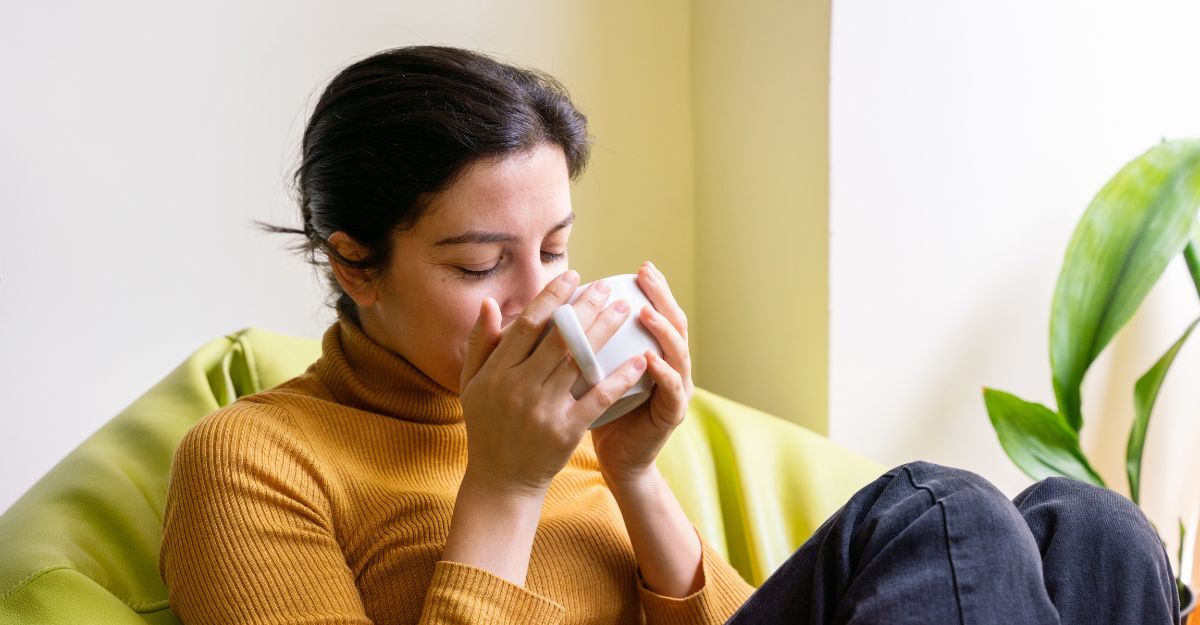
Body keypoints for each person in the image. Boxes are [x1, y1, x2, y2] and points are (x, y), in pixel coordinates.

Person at [159, 45, 1181, 625]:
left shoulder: (564, 431)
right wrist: (504, 488)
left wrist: (637, 475)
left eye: (554, 250)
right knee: (938, 509)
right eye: (480, 264)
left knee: (1093, 528)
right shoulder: (252, 460)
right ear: (353, 264)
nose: (536, 298)